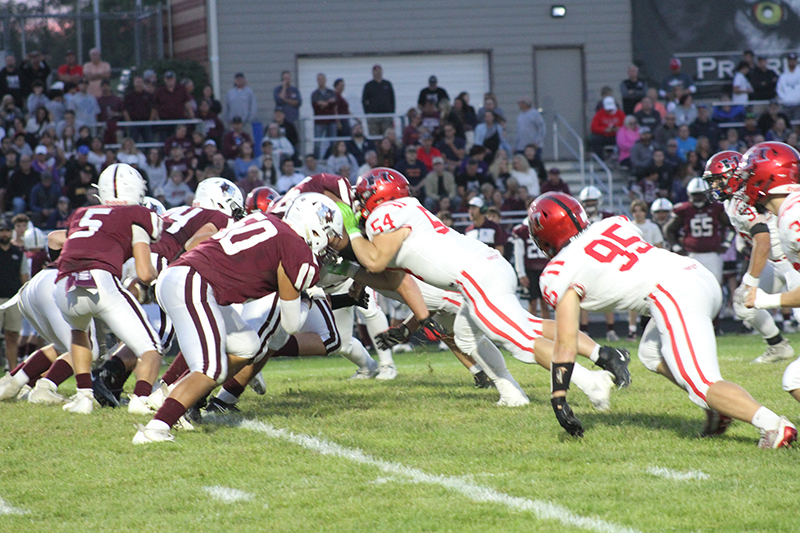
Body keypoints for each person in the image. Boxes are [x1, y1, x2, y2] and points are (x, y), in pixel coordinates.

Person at [343, 168, 629, 409]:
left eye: (363, 197)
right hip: (485, 268)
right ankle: (512, 393)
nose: (359, 204)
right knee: (470, 338)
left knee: (522, 341)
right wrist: (348, 270)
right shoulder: (404, 212)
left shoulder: (387, 213)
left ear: (379, 195)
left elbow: (375, 260)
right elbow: (391, 279)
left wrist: (351, 229)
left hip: (475, 277)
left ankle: (591, 382)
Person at [529, 191, 797, 448]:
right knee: (649, 353)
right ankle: (718, 410)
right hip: (696, 274)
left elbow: (565, 343)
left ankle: (773, 425)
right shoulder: (613, 224)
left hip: (674, 295)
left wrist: (558, 397)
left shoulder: (559, 271)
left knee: (702, 383)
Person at [132, 193, 342, 443]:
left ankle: (174, 395)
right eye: (329, 234)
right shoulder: (295, 247)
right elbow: (291, 323)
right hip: (194, 283)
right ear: (315, 228)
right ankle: (156, 427)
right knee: (210, 368)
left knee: (248, 345)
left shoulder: (267, 221)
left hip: (187, 277)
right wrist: (315, 295)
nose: (330, 242)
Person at [702, 150, 795, 364]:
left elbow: (762, 239)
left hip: (791, 260)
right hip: (774, 261)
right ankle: (778, 346)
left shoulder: (743, 198)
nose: (714, 186)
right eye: (712, 181)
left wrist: (750, 281)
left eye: (718, 180)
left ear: (734, 175)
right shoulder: (733, 200)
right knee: (743, 302)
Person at [736, 142, 800, 410]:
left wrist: (765, 301)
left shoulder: (792, 216)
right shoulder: (790, 209)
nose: (745, 181)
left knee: (794, 378)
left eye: (749, 174)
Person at [664, 177, 733, 289]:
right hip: (692, 254)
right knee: (693, 286)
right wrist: (676, 247)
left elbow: (732, 226)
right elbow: (669, 230)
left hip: (713, 254)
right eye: (695, 194)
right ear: (689, 194)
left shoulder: (716, 208)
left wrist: (726, 244)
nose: (697, 197)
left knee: (714, 286)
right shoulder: (684, 209)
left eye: (700, 194)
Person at [626, 199, 665, 340]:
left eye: (640, 210)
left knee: (654, 297)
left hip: (650, 265)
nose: (638, 214)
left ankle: (657, 328)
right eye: (635, 211)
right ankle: (632, 330)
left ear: (645, 212)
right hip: (635, 265)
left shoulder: (652, 227)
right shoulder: (628, 227)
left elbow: (659, 246)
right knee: (633, 299)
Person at [0, 218, 29, 371]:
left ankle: (12, 371)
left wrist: (24, 297)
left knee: (12, 336)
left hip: (13, 299)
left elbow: (24, 276)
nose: (4, 234)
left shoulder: (18, 253)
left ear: (11, 233)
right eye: (2, 231)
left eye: (6, 231)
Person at [153, 71, 193, 138]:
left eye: (171, 78)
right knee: (165, 140)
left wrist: (192, 116)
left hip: (179, 119)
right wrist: (158, 120)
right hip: (164, 121)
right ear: (164, 80)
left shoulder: (181, 89)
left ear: (175, 79)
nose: (170, 80)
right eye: (168, 79)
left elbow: (187, 104)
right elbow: (155, 106)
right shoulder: (160, 91)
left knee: (180, 138)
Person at [362, 64, 395, 136]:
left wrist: (392, 113)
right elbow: (364, 100)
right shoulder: (368, 85)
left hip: (386, 115)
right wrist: (368, 113)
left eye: (379, 70)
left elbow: (392, 99)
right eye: (375, 70)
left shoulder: (387, 84)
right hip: (373, 116)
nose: (378, 72)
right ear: (372, 72)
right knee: (374, 137)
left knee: (387, 136)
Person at [123, 75, 156, 143]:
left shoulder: (148, 95)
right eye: (137, 82)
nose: (138, 84)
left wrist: (150, 121)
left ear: (143, 83)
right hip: (134, 123)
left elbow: (153, 108)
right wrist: (129, 122)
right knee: (133, 143)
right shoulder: (129, 95)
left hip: (146, 123)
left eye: (140, 82)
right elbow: (125, 110)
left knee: (149, 143)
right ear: (134, 83)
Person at [312, 73, 338, 159]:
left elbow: (334, 103)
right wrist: (328, 103)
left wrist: (323, 104)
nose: (321, 81)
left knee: (333, 142)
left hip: (331, 121)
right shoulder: (314, 94)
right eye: (319, 79)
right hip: (319, 122)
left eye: (322, 79)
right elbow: (315, 106)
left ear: (325, 80)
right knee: (317, 143)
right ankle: (316, 159)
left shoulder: (331, 92)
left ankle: (333, 158)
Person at [778, 52, 800, 121]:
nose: (792, 62)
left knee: (797, 123)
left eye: (794, 60)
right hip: (787, 104)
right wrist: (785, 99)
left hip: (798, 104)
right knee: (787, 122)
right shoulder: (783, 76)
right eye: (790, 61)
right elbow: (779, 89)